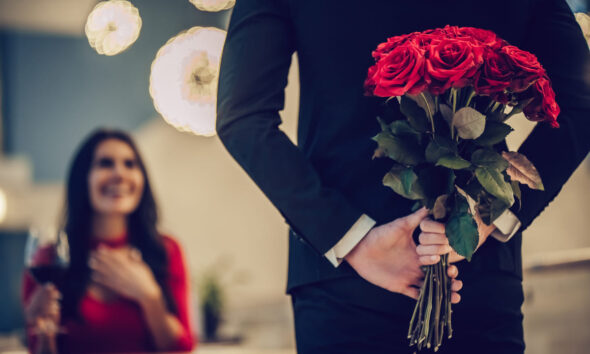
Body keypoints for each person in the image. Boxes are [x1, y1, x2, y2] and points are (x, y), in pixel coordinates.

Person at [216, 0, 590, 353]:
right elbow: (583, 101)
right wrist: (488, 216)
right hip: (473, 269)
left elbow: (243, 117)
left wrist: (349, 237)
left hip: (344, 283)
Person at [22, 129, 196, 353]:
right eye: (105, 163)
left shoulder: (167, 251)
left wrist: (149, 296)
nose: (120, 174)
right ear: (82, 179)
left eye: (130, 164)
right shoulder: (47, 259)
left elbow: (181, 349)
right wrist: (43, 332)